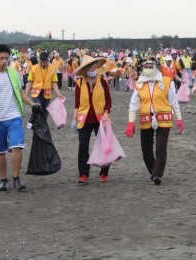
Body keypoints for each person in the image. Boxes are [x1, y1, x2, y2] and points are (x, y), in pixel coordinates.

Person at [0, 44, 36, 192]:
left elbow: (20, 93)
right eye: (1, 58)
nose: (4, 61)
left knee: (17, 146)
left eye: (7, 58)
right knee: (0, 151)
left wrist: (31, 103)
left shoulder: (13, 74)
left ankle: (16, 178)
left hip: (14, 116)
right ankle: (3, 179)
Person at [124, 56, 184, 185]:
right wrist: (130, 122)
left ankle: (157, 174)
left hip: (164, 118)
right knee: (146, 149)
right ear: (142, 69)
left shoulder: (167, 82)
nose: (148, 69)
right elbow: (133, 105)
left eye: (151, 67)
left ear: (157, 67)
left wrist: (179, 119)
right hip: (146, 118)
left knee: (161, 147)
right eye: (146, 67)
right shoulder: (139, 84)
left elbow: (174, 103)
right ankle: (153, 171)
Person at [73, 55, 112, 184]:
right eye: (90, 66)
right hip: (84, 118)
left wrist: (106, 112)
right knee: (83, 146)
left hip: (100, 117)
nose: (93, 68)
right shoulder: (79, 82)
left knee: (104, 145)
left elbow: (108, 101)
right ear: (85, 69)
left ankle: (104, 172)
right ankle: (83, 174)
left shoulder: (102, 81)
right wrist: (74, 120)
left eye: (95, 66)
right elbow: (77, 103)